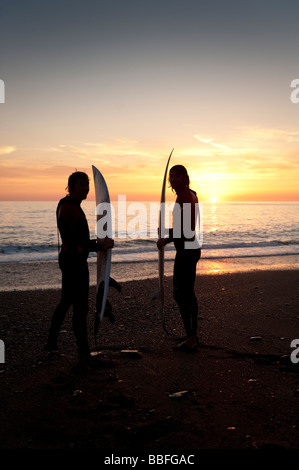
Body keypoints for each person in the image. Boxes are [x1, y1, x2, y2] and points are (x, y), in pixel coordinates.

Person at [44, 171, 114, 367]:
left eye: (87, 184)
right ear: (71, 186)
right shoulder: (68, 209)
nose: (86, 188)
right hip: (74, 264)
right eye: (81, 184)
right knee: (80, 309)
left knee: (66, 302)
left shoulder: (71, 205)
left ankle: (51, 343)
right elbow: (77, 244)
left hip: (71, 260)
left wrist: (98, 244)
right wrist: (101, 245)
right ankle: (84, 356)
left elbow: (79, 243)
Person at [157, 165, 201, 352]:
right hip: (191, 248)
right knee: (187, 292)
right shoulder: (191, 194)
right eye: (171, 177)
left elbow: (183, 229)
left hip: (186, 251)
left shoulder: (184, 197)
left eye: (176, 176)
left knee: (180, 293)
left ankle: (191, 338)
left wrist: (165, 239)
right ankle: (192, 334)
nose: (172, 180)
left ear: (185, 177)